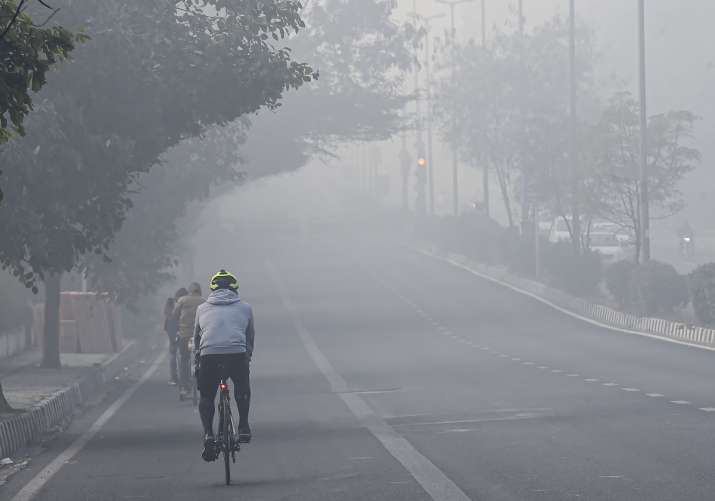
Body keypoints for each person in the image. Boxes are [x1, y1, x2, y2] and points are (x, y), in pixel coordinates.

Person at [194, 270, 254, 462]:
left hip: (209, 356)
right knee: (242, 386)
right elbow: (249, 336)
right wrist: (247, 357)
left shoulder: (202, 308)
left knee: (206, 395)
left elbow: (197, 338)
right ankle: (243, 426)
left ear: (212, 289)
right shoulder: (245, 308)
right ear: (234, 288)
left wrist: (198, 359)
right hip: (236, 355)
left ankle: (208, 434)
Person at [173, 282, 204, 398]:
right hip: (199, 336)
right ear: (199, 291)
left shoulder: (182, 300)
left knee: (184, 360)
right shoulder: (204, 301)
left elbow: (174, 315)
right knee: (203, 359)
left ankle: (185, 387)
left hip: (184, 335)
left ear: (190, 291)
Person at [163, 293, 180, 385]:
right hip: (182, 338)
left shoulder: (169, 318)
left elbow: (167, 330)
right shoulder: (179, 314)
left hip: (174, 338)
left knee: (173, 356)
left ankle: (174, 377)